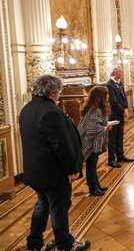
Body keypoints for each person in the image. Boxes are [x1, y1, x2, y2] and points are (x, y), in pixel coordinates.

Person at [19, 75, 91, 251]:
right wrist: (72, 169)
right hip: (53, 172)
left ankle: (35, 244)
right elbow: (61, 144)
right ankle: (65, 244)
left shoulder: (27, 108)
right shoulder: (50, 111)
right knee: (59, 207)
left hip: (35, 171)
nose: (60, 94)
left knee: (42, 205)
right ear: (52, 92)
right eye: (59, 91)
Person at [78, 86, 114, 197]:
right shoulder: (95, 110)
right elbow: (92, 128)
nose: (108, 96)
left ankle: (96, 184)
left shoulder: (97, 108)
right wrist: (106, 127)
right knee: (91, 164)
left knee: (93, 163)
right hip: (89, 142)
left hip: (93, 141)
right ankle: (93, 188)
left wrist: (105, 126)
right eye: (106, 94)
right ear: (101, 96)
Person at [106, 66, 134, 168]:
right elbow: (113, 101)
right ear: (115, 73)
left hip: (121, 114)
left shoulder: (120, 83)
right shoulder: (109, 85)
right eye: (121, 72)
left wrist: (126, 107)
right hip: (113, 115)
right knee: (112, 138)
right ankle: (111, 159)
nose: (122, 74)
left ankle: (120, 155)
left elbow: (124, 97)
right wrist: (123, 111)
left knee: (120, 136)